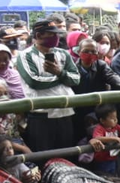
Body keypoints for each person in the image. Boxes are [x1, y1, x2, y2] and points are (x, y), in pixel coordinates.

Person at [15, 20, 81, 153]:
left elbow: (76, 79)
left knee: (67, 156)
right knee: (43, 157)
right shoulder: (25, 56)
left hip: (66, 113)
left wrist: (59, 72)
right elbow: (34, 82)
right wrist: (62, 77)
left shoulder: (63, 54)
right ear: (38, 36)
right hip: (41, 115)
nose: (56, 38)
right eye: (51, 34)